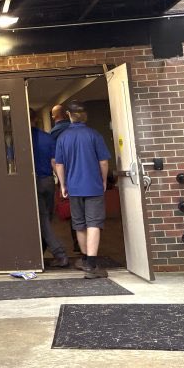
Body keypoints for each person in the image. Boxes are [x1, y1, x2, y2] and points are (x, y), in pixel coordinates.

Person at [53, 100, 111, 280]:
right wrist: (103, 180)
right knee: (94, 223)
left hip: (74, 187)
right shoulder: (94, 135)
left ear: (69, 116)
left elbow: (59, 164)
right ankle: (91, 265)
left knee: (79, 224)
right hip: (93, 185)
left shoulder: (63, 137)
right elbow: (103, 161)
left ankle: (85, 259)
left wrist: (62, 184)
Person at [31, 114, 68, 268]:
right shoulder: (48, 138)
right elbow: (55, 162)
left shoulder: (22, 137)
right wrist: (62, 183)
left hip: (34, 182)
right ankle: (39, 252)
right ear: (36, 119)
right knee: (46, 218)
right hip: (48, 182)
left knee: (43, 221)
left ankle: (60, 254)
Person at [49, 103, 82, 258]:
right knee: (88, 213)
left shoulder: (54, 134)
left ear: (55, 116)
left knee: (73, 212)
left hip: (67, 175)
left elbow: (55, 160)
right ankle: (88, 250)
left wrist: (61, 181)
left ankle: (78, 244)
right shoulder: (78, 130)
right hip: (83, 174)